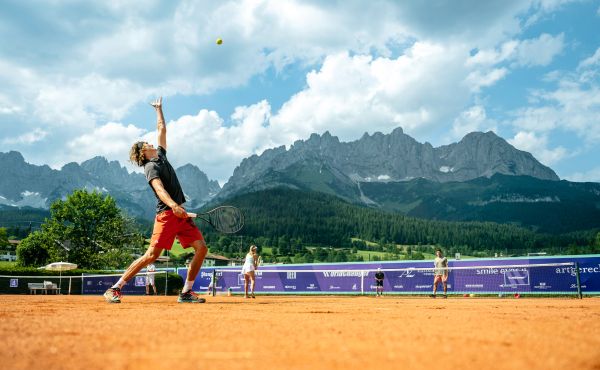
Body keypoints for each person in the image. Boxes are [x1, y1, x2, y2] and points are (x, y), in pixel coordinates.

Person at [103, 97, 208, 304]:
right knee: (151, 255)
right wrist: (174, 206)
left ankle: (186, 292)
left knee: (202, 248)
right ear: (143, 151)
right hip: (167, 215)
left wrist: (159, 109)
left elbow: (162, 129)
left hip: (180, 214)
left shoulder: (161, 156)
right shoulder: (150, 167)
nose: (151, 142)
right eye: (147, 143)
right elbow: (159, 189)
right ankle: (115, 289)